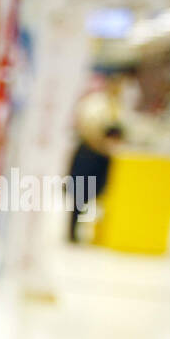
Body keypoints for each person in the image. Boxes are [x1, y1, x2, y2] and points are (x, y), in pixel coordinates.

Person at [65, 68, 131, 242]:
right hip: (89, 154)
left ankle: (83, 229)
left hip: (103, 157)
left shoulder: (117, 105)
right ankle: (72, 231)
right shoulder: (96, 103)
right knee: (80, 194)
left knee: (93, 194)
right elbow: (88, 128)